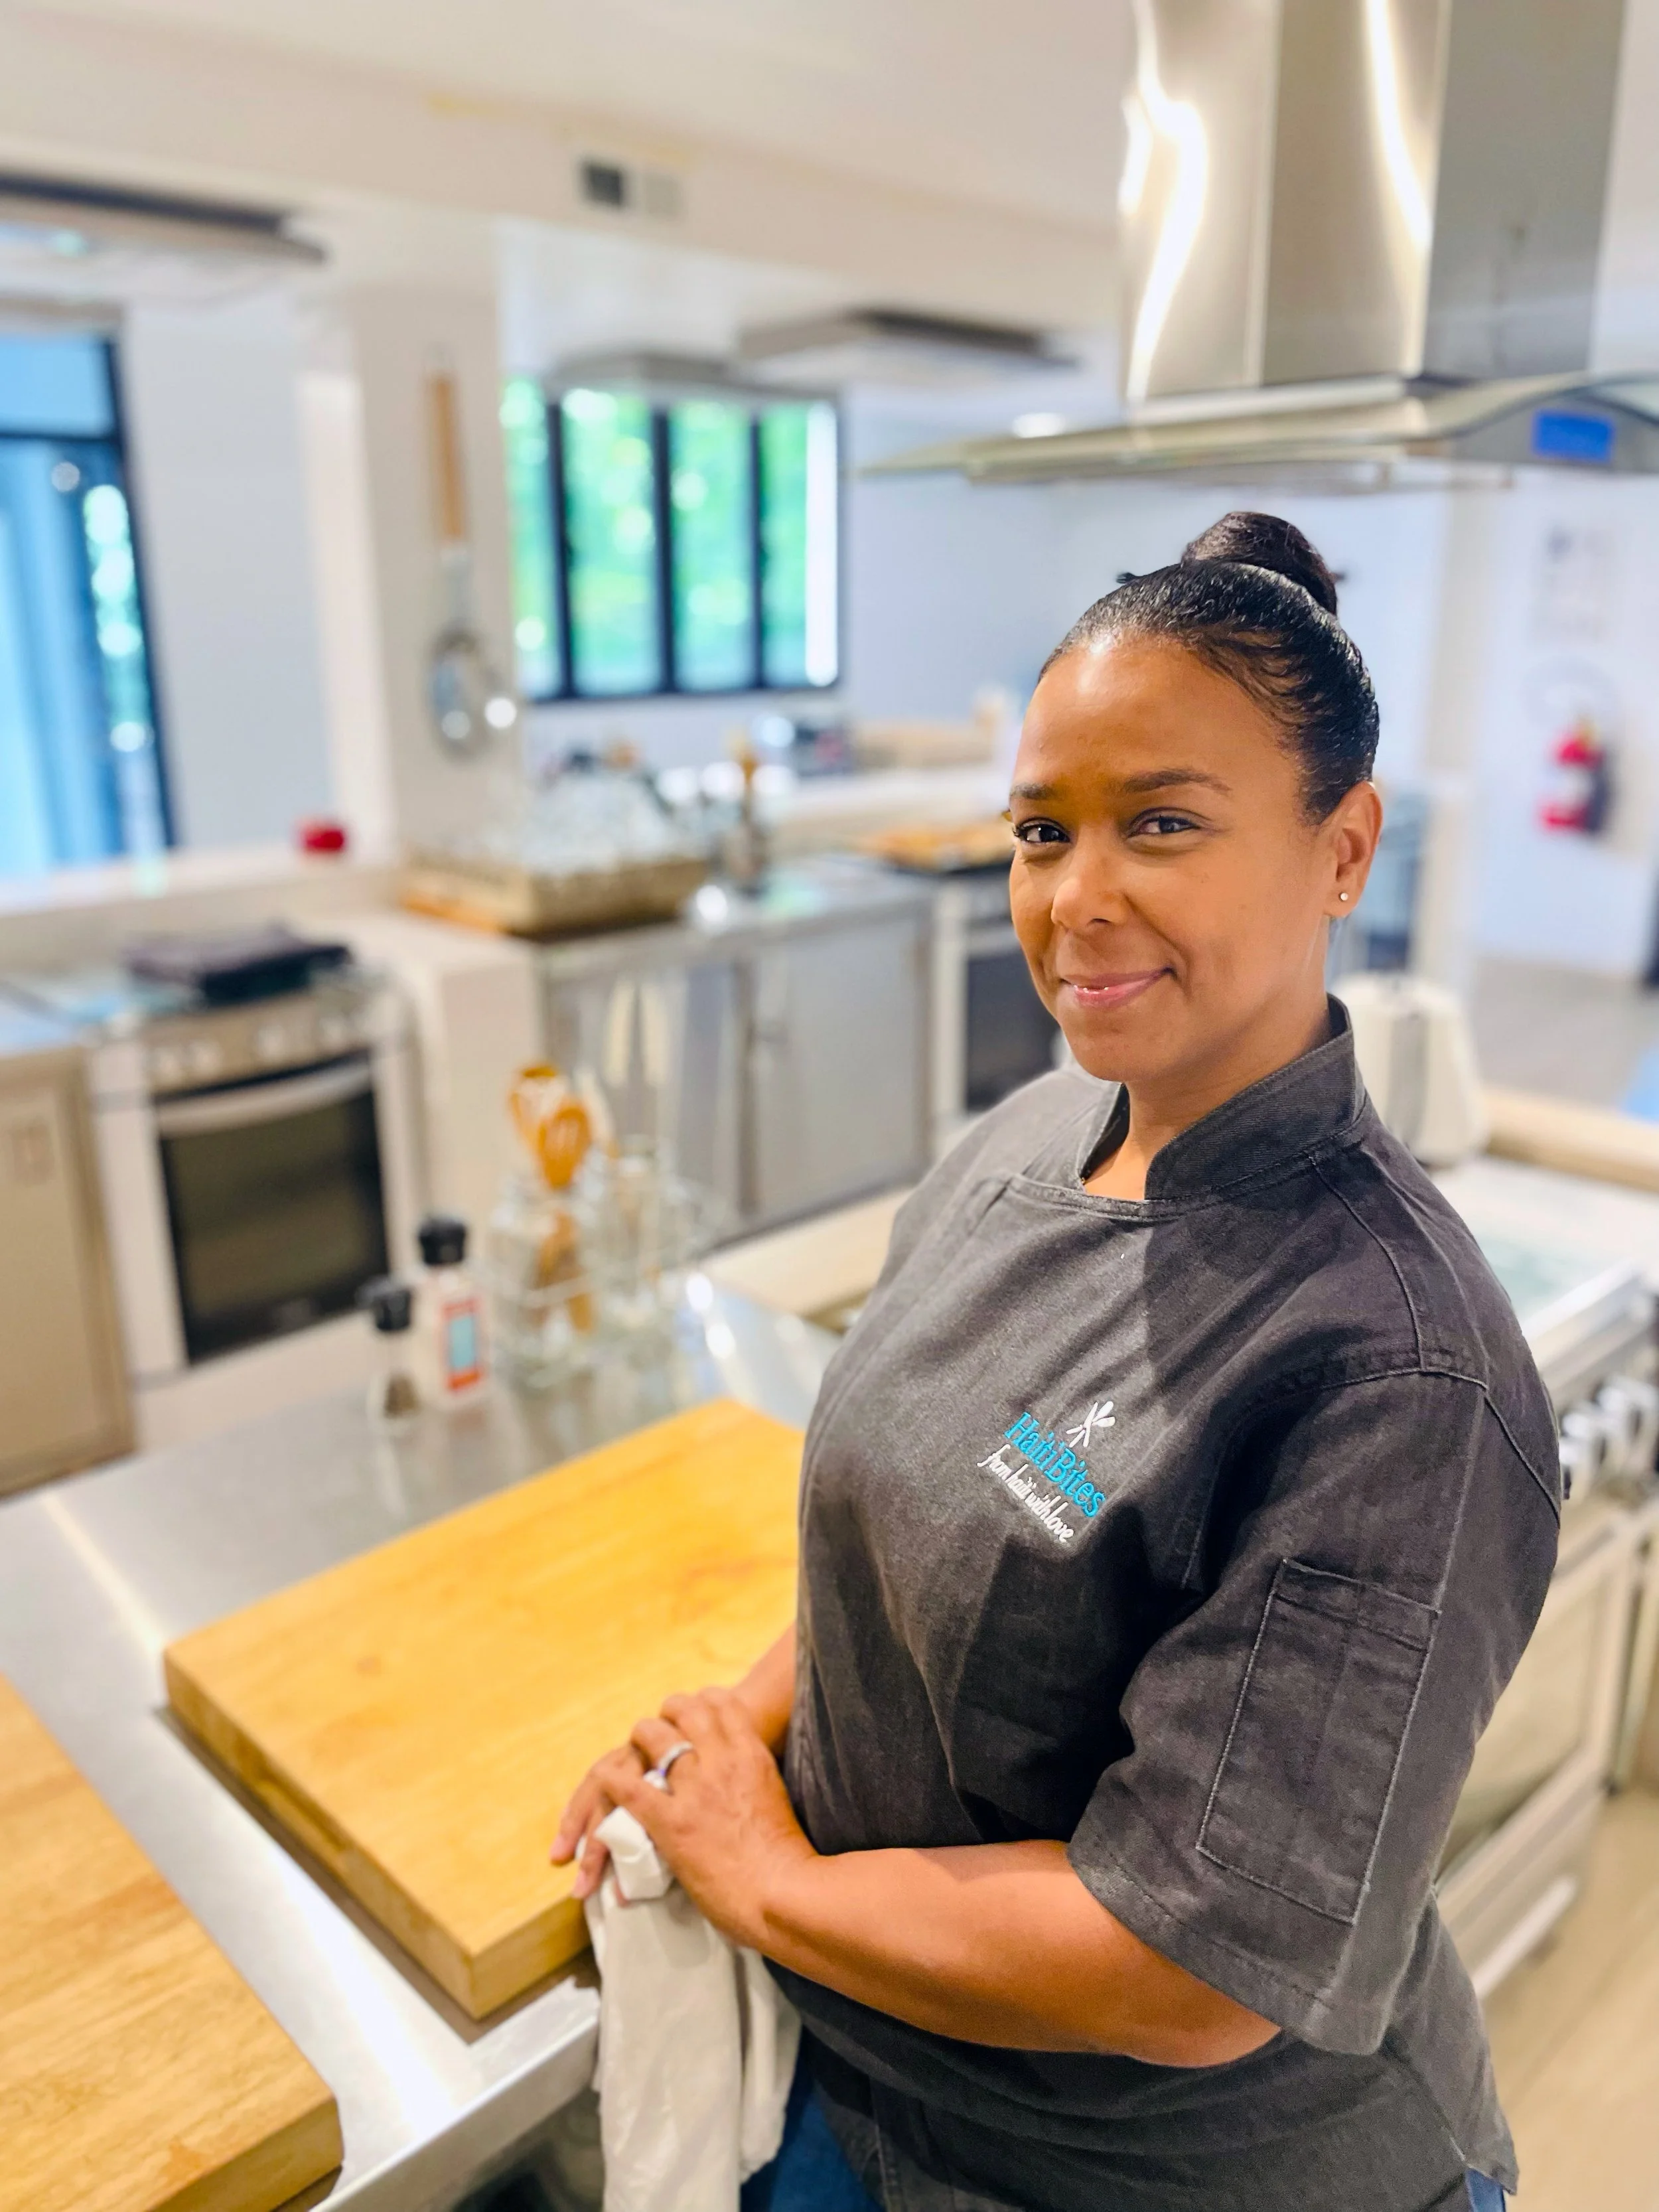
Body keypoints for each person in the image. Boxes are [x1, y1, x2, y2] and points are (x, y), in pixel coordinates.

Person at [553, 512, 1559, 2212]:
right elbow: (913, 1527)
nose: (1074, 898)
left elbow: (1188, 1966)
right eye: (1041, 828)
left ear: (1341, 848)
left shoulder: (1394, 1373)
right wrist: (725, 1729)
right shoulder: (1028, 1135)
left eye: (1160, 822)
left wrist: (765, 1874)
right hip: (881, 2084)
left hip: (1173, 2177)